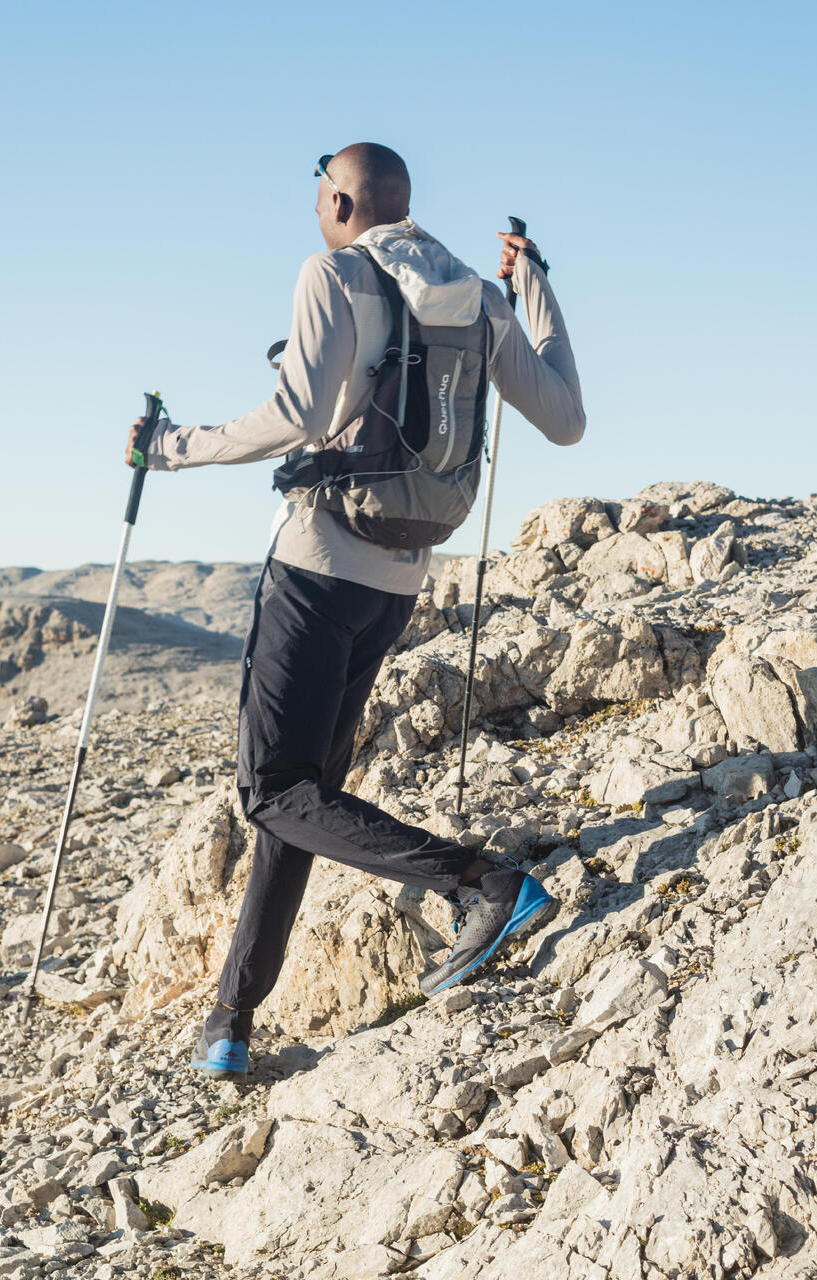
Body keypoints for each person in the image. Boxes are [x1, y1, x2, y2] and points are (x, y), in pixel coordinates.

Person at [128, 142, 587, 1078]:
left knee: (274, 791)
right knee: (301, 798)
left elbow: (297, 414)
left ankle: (483, 884)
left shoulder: (332, 272)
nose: (316, 215)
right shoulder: (476, 293)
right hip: (399, 581)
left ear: (340, 201)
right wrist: (533, 280)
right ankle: (231, 1021)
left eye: (319, 200)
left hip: (317, 567)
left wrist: (170, 448)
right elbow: (566, 416)